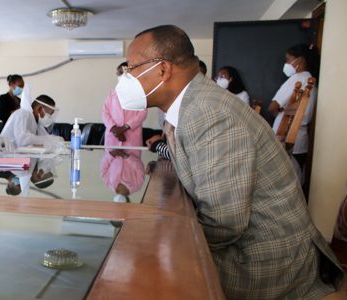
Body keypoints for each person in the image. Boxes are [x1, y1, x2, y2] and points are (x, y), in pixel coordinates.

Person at [116, 24, 342, 299]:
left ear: (162, 70)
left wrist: (159, 243)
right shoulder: (193, 106)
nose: (125, 79)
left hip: (263, 257)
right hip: (252, 243)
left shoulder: (208, 113)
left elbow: (223, 225)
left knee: (136, 275)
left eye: (131, 68)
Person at [268, 44, 319, 171]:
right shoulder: (311, 80)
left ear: (299, 60)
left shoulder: (296, 79)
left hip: (285, 139)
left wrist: (277, 112)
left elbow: (272, 106)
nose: (286, 63)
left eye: (288, 59)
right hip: (301, 141)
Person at [0, 86, 65, 152]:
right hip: (6, 157)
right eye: (49, 114)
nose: (50, 118)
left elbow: (44, 137)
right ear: (39, 109)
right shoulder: (23, 114)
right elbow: (22, 140)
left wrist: (55, 140)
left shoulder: (36, 122)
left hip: (18, 157)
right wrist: (49, 139)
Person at [102, 62, 147, 147]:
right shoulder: (112, 94)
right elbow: (105, 113)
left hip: (132, 138)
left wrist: (124, 128)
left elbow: (142, 113)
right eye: (119, 73)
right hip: (112, 137)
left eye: (123, 73)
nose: (121, 76)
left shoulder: (139, 94)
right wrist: (114, 129)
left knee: (132, 159)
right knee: (110, 158)